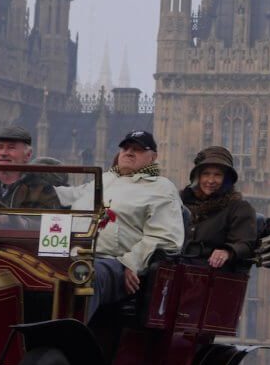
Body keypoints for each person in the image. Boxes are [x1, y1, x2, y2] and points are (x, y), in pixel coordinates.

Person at [55, 129, 184, 316]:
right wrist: (34, 184)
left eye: (137, 149)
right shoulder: (105, 179)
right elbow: (70, 195)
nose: (129, 152)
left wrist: (131, 263)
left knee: (87, 274)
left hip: (113, 263)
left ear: (153, 156)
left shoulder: (161, 188)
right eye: (125, 147)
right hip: (75, 253)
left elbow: (165, 237)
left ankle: (68, 339)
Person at [180, 145, 258, 271]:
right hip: (177, 270)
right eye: (206, 174)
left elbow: (245, 243)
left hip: (211, 274)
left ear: (226, 179)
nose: (211, 180)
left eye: (217, 175)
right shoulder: (181, 204)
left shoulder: (238, 208)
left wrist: (227, 252)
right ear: (197, 177)